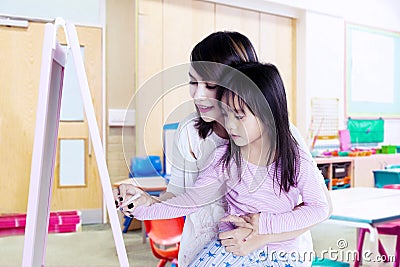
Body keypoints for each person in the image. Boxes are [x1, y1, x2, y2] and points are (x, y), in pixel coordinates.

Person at [121, 62, 332, 266]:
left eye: (239, 117)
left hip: (279, 256)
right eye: (226, 115)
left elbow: (319, 208)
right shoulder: (225, 158)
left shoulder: (295, 159)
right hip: (230, 247)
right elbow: (191, 201)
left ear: (268, 115)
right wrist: (143, 208)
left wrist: (265, 225)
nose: (230, 125)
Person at [114, 31, 259, 266]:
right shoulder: (190, 131)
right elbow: (178, 196)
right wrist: (145, 202)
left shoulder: (277, 131)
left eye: (210, 85)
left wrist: (264, 236)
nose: (198, 94)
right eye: (193, 82)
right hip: (202, 254)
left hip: (260, 255)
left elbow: (315, 206)